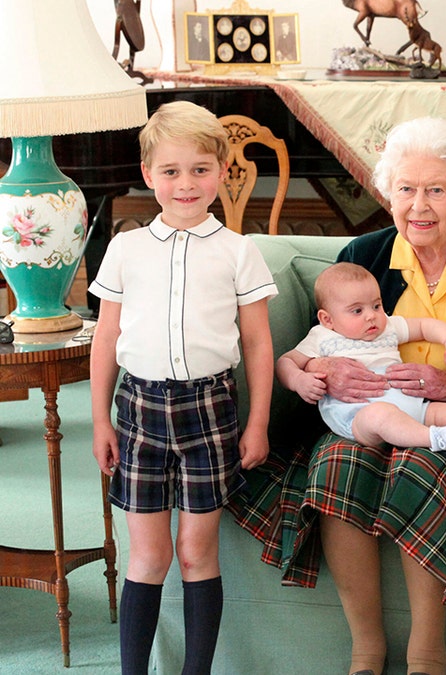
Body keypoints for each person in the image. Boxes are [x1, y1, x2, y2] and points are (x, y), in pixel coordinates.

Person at [227, 117, 446, 675]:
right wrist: (323, 367)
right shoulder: (365, 254)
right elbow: (319, 340)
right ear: (389, 194)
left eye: (436, 190)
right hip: (357, 417)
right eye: (406, 190)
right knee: (337, 464)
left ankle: (427, 650)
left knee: (422, 466)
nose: (420, 206)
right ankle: (367, 646)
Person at [89, 100, 277, 674]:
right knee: (148, 554)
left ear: (222, 172)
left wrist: (258, 422)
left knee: (197, 552)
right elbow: (105, 339)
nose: (186, 183)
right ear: (149, 177)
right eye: (170, 171)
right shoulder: (126, 249)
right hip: (138, 412)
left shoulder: (239, 251)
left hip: (210, 411)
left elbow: (257, 346)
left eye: (200, 169)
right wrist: (99, 420)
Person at [276, 262, 446, 488]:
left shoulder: (388, 328)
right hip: (359, 415)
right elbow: (286, 362)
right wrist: (299, 380)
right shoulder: (322, 336)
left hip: (411, 404)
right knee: (382, 414)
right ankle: (434, 438)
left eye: (376, 306)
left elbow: (425, 326)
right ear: (327, 319)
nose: (371, 316)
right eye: (357, 310)